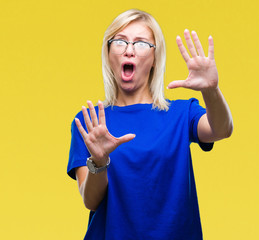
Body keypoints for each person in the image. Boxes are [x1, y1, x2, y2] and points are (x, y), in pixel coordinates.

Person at [67, 9, 233, 240]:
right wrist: (99, 161)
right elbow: (90, 201)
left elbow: (221, 129)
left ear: (155, 58)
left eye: (141, 43)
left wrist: (211, 90)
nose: (129, 50)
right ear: (108, 53)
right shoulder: (90, 122)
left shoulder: (181, 114)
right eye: (120, 41)